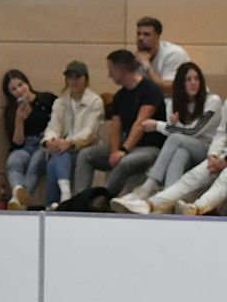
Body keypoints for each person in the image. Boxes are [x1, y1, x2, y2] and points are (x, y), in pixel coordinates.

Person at [111, 62, 222, 213]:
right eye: (188, 79)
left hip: (207, 149)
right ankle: (168, 203)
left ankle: (149, 185)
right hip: (186, 147)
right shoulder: (173, 104)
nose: (193, 83)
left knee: (176, 139)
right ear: (180, 83)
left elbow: (193, 131)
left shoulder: (213, 101)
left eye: (196, 79)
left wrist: (157, 125)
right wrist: (174, 125)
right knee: (179, 154)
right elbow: (176, 132)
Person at [73, 50, 167, 197]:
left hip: (150, 148)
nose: (109, 75)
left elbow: (140, 124)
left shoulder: (150, 90)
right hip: (127, 146)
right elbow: (115, 128)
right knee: (86, 155)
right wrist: (114, 151)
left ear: (121, 70)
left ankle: (103, 198)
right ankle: (81, 198)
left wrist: (124, 150)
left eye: (111, 70)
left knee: (125, 162)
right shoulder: (119, 96)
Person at [107, 104, 227, 215]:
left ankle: (197, 208)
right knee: (193, 176)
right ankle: (150, 204)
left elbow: (194, 131)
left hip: (220, 157)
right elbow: (222, 132)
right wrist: (213, 155)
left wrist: (225, 161)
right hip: (221, 155)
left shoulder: (213, 100)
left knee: (224, 179)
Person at [40, 61, 105, 208]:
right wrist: (50, 140)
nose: (74, 80)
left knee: (56, 157)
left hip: (86, 147)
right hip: (64, 149)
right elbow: (53, 126)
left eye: (78, 77)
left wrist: (69, 142)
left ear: (85, 79)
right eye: (70, 77)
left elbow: (90, 132)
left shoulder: (95, 102)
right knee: (55, 157)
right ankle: (64, 195)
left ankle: (54, 204)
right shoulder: (60, 102)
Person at [2, 70, 56, 209]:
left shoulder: (46, 99)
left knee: (35, 163)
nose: (19, 91)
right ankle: (18, 191)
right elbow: (17, 142)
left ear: (27, 83)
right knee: (13, 161)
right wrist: (19, 120)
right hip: (25, 145)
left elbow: (61, 120)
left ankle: (18, 202)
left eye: (21, 85)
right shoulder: (11, 110)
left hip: (44, 144)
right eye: (13, 89)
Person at [134, 17, 190, 98]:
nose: (140, 38)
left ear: (157, 37)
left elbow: (170, 89)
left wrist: (146, 65)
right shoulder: (137, 57)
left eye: (146, 34)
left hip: (185, 101)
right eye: (139, 34)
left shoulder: (174, 53)